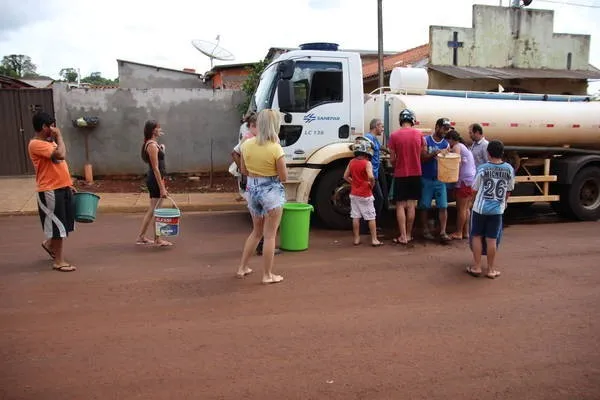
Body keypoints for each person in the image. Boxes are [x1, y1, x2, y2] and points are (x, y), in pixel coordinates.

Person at [237, 109, 288, 284]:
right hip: (271, 193)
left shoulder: (246, 145)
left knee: (256, 232)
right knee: (270, 235)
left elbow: (243, 170)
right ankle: (267, 275)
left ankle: (242, 267)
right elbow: (284, 177)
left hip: (252, 190)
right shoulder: (275, 148)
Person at [28, 112, 77, 272]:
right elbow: (61, 155)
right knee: (58, 225)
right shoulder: (36, 144)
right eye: (52, 126)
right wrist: (60, 137)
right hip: (50, 190)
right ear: (44, 127)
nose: (55, 129)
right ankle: (59, 261)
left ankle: (49, 244)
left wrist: (68, 184)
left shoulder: (50, 143)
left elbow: (59, 164)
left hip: (61, 187)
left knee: (66, 222)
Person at [466, 140, 515, 279]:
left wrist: (472, 201)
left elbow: (474, 188)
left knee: (476, 235)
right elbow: (509, 190)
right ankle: (491, 269)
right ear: (502, 153)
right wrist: (503, 203)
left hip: (480, 208)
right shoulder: (509, 169)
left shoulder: (483, 168)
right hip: (497, 209)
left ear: (488, 153)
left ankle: (476, 267)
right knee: (492, 239)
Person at [387, 109, 423, 245]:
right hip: (416, 173)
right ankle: (408, 234)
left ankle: (402, 236)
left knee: (400, 205)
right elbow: (421, 153)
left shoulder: (394, 136)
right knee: (411, 205)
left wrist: (398, 164)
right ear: (412, 120)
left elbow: (392, 159)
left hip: (401, 174)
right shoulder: (419, 134)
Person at [136, 120, 172, 247]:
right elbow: (156, 168)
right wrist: (162, 188)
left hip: (156, 179)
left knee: (153, 210)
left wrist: (161, 148)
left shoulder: (153, 144)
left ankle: (142, 237)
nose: (160, 129)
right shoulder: (151, 145)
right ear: (152, 130)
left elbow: (157, 160)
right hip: (155, 180)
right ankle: (157, 239)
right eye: (157, 128)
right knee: (157, 210)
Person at [343, 140, 384, 247]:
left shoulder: (351, 162)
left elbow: (345, 176)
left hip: (354, 193)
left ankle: (356, 239)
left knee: (356, 216)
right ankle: (374, 239)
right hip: (365, 194)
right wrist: (371, 184)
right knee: (371, 217)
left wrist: (354, 183)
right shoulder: (367, 163)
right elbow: (371, 176)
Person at [419, 118, 451, 241]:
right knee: (424, 206)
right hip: (426, 178)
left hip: (440, 179)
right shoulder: (426, 140)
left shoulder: (446, 144)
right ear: (437, 127)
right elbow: (422, 158)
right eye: (444, 128)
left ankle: (443, 232)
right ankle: (425, 230)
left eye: (447, 129)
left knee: (443, 206)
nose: (445, 131)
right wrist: (435, 153)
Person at [446, 130, 476, 240]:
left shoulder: (457, 146)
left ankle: (458, 232)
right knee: (466, 208)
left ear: (450, 140)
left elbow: (456, 161)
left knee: (461, 208)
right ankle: (466, 232)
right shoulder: (464, 146)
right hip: (470, 180)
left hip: (463, 181)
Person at [363, 119, 386, 225]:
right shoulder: (368, 138)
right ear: (376, 126)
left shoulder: (374, 139)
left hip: (374, 173)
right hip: (371, 175)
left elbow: (379, 147)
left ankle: (371, 224)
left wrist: (388, 150)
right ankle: (370, 224)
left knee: (375, 199)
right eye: (381, 126)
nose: (382, 129)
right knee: (378, 199)